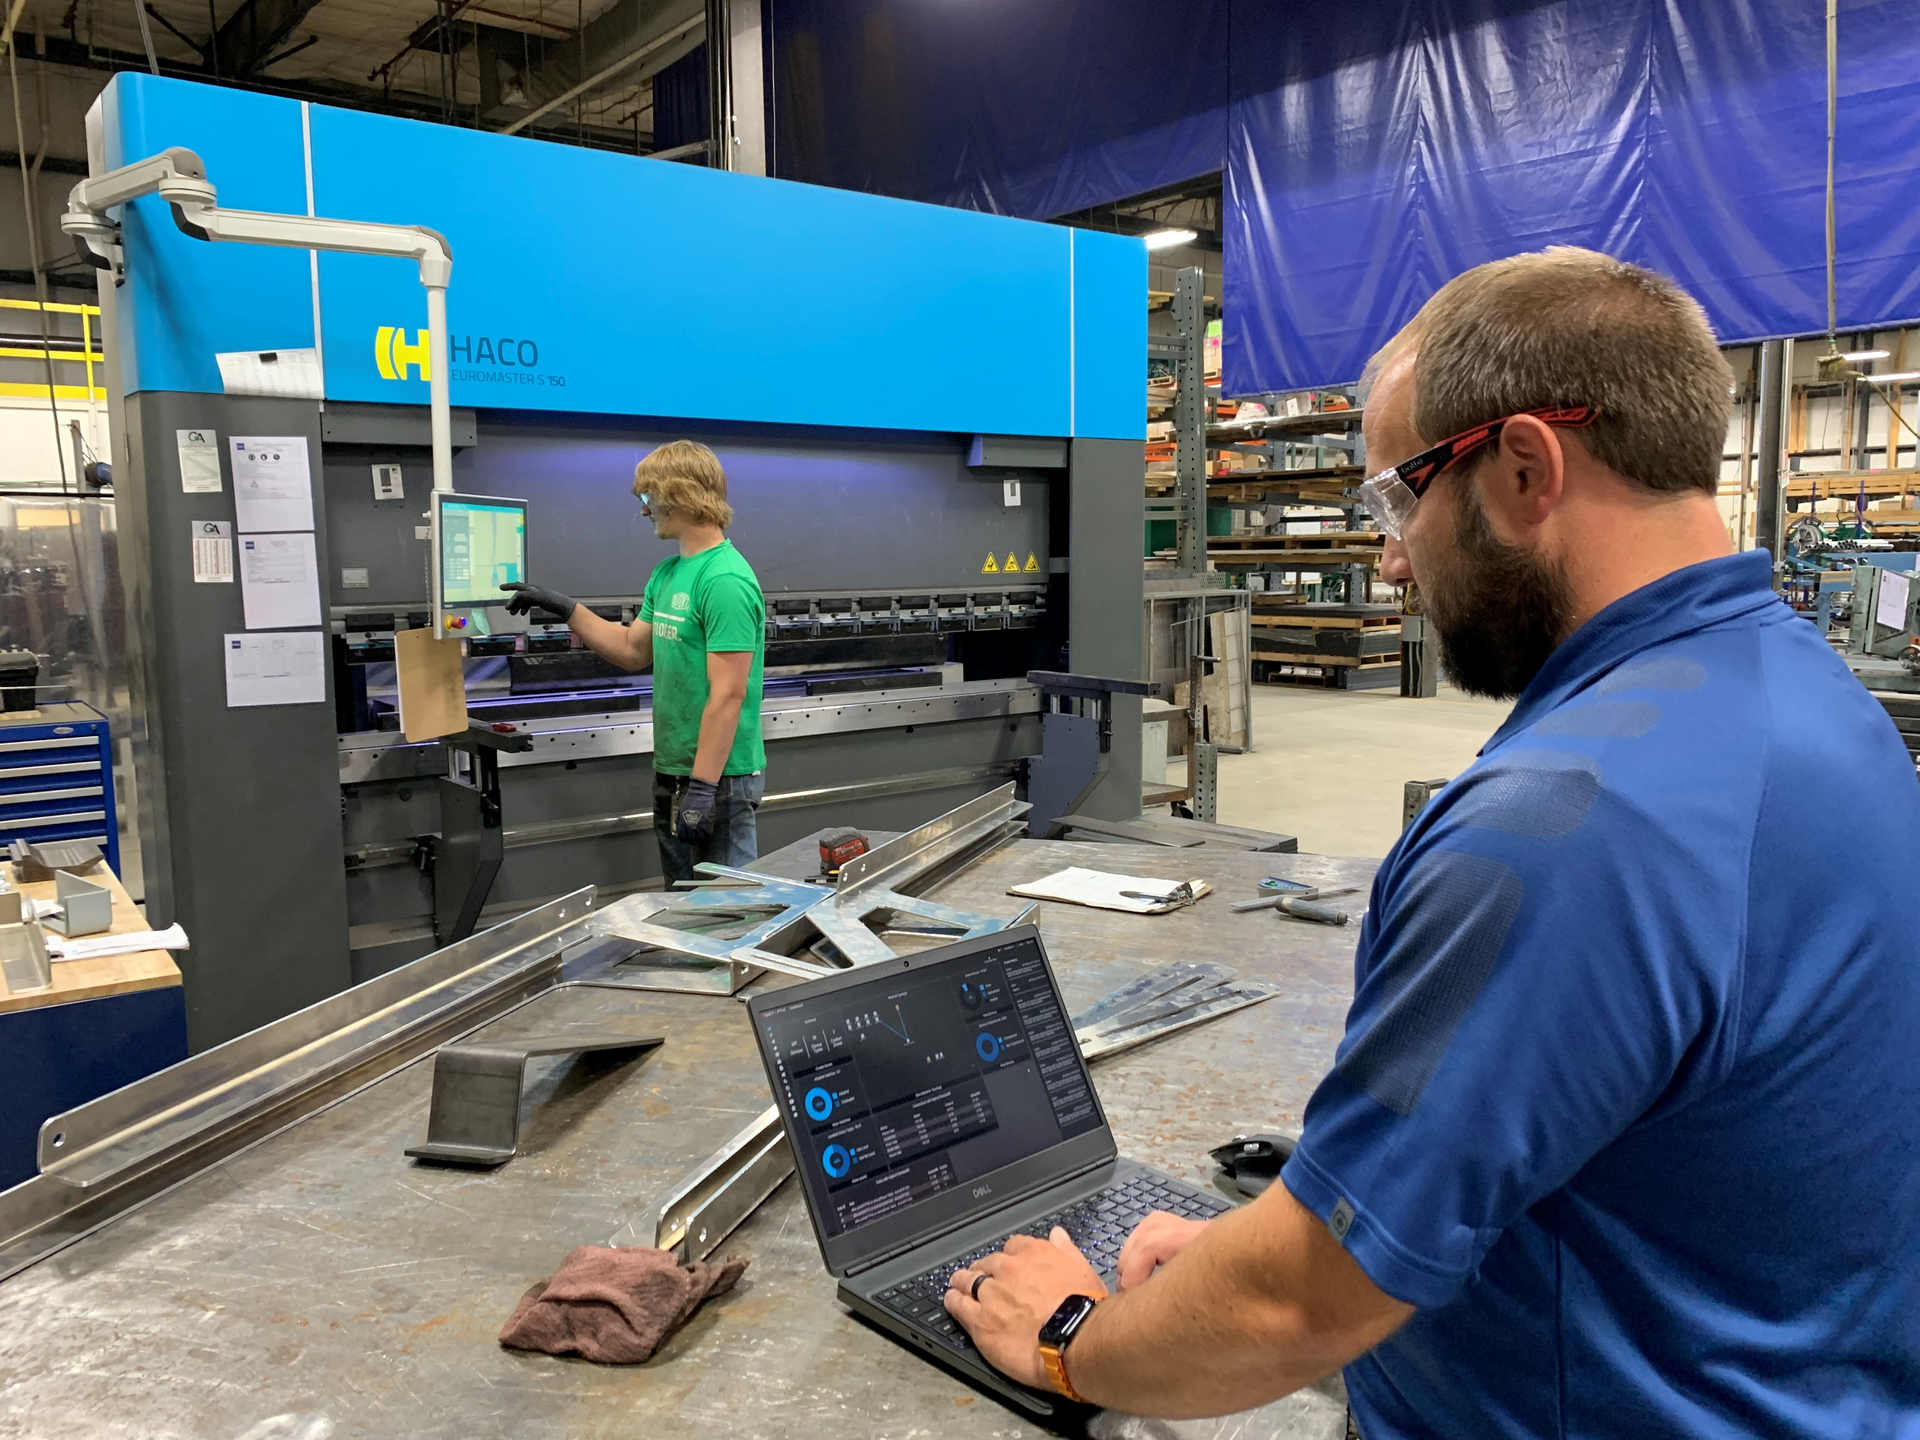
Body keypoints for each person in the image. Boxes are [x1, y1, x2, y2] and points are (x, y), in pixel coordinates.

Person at [942, 248, 1920, 1437]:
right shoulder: (1811, 697)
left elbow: (1296, 1310)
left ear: (1523, 468)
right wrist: (1285, 1238)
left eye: (1400, 498)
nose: (1391, 555)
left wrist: (1073, 1337)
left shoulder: (1563, 825)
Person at [503, 439, 766, 884]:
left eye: (648, 498)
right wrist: (567, 609)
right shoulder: (667, 573)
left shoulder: (724, 580)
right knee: (682, 909)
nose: (645, 511)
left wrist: (702, 787)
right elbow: (631, 650)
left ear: (679, 495)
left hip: (719, 778)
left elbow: (728, 694)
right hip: (674, 770)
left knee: (730, 911)